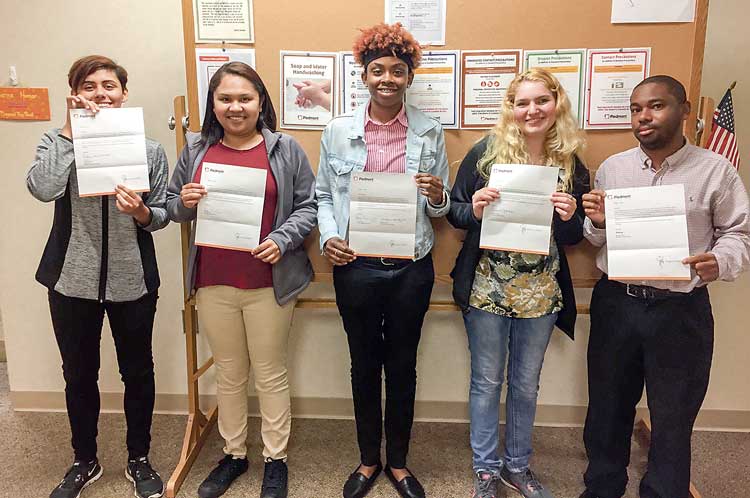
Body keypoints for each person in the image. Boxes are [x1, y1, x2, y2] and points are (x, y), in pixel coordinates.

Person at [579, 75, 750, 498]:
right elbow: (597, 238)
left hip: (680, 310)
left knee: (673, 415)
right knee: (607, 406)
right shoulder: (613, 169)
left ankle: (662, 491)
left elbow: (739, 234)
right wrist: (597, 222)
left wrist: (719, 261)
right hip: (617, 302)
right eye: (636, 109)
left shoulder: (715, 170)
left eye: (656, 106)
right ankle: (602, 487)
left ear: (684, 111)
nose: (644, 117)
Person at [166, 62, 317, 498]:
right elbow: (172, 207)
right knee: (230, 372)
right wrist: (185, 200)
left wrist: (282, 238)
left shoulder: (285, 149)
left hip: (269, 281)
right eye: (225, 98)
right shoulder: (195, 150)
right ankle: (234, 454)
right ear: (213, 105)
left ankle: (276, 459)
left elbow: (308, 206)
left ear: (260, 103)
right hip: (214, 280)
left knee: (270, 372)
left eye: (245, 98)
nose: (235, 107)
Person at [315, 22, 450, 498]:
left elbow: (441, 209)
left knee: (403, 363)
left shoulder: (430, 132)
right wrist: (329, 237)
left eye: (397, 70)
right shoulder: (337, 131)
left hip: (411, 265)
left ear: (409, 76)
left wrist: (438, 196)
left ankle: (399, 462)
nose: (387, 78)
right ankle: (368, 459)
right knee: (362, 362)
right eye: (378, 70)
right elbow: (323, 197)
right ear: (364, 76)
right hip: (356, 265)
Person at [26, 55, 169, 498]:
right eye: (89, 87)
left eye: (110, 86)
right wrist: (71, 132)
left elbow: (163, 213)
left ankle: (139, 458)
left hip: (133, 280)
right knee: (79, 375)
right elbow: (41, 188)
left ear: (124, 93)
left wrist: (142, 212)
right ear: (74, 93)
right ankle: (83, 460)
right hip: (72, 280)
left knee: (138, 372)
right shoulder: (55, 140)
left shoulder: (148, 150)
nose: (101, 94)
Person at [447, 68, 590, 498]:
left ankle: (517, 466)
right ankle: (486, 470)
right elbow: (454, 213)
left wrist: (570, 216)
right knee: (487, 381)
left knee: (526, 383)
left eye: (540, 101)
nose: (532, 110)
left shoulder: (570, 162)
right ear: (511, 108)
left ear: (556, 104)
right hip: (487, 287)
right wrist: (474, 207)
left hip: (541, 292)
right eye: (522, 102)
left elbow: (575, 235)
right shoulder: (486, 154)